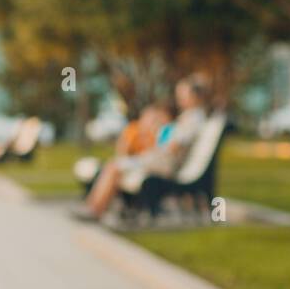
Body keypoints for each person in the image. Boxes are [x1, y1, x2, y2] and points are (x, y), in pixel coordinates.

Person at [75, 74, 210, 221]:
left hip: (163, 163)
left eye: (183, 93)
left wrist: (158, 146)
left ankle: (94, 210)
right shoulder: (190, 116)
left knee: (113, 167)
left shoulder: (194, 118)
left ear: (195, 96)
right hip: (159, 159)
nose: (179, 98)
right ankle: (93, 208)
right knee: (114, 166)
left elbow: (174, 147)